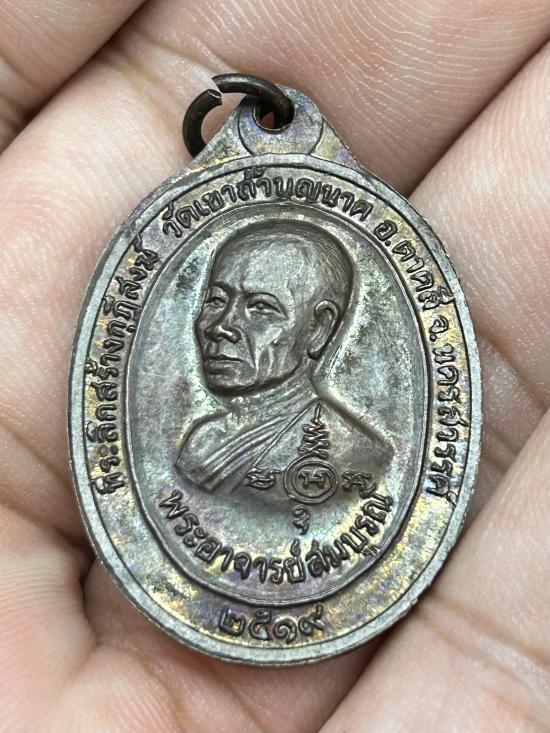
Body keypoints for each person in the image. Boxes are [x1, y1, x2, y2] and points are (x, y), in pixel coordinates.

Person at [176, 221, 391, 505]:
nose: (220, 326)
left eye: (260, 307)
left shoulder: (353, 453)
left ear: (319, 329)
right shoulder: (201, 442)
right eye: (216, 300)